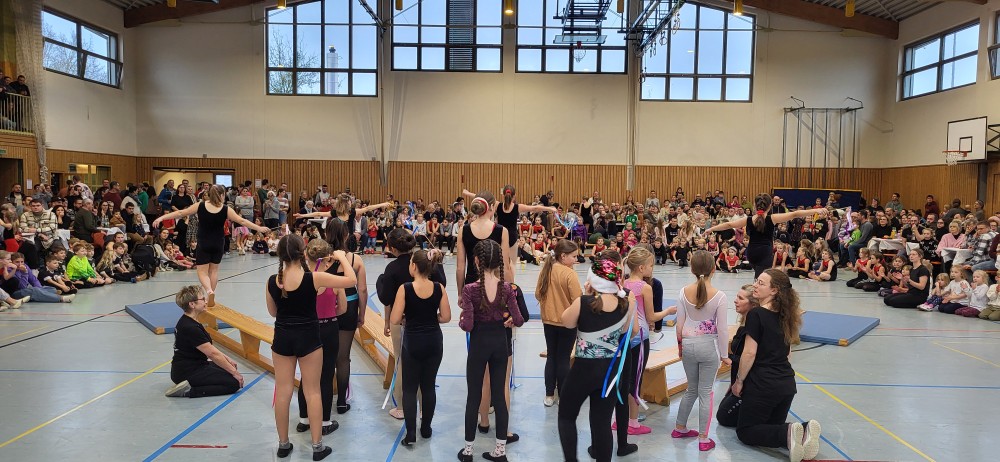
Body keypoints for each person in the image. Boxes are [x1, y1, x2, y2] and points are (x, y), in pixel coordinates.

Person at [266, 235, 356, 461]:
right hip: (308, 338)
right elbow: (351, 280)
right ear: (302, 253)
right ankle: (317, 446)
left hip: (283, 338)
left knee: (283, 391)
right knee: (313, 390)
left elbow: (273, 312)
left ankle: (283, 444)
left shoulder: (272, 281)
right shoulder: (314, 278)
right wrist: (342, 258)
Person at [557, 250, 639, 462]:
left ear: (593, 279)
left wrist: (584, 295)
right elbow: (626, 332)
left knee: (566, 416)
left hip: (583, 370)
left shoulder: (584, 302)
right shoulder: (626, 304)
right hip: (609, 372)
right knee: (601, 423)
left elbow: (566, 322)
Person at [732, 270, 821, 462]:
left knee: (746, 431)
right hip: (786, 386)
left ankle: (787, 432)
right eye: (756, 281)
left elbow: (749, 353)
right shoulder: (786, 315)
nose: (755, 285)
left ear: (774, 291)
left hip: (763, 385)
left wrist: (739, 381)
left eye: (761, 283)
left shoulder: (756, 314)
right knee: (770, 427)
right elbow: (787, 353)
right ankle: (803, 429)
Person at [458, 239, 524, 462]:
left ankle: (468, 451)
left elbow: (468, 325)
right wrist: (508, 320)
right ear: (499, 262)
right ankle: (500, 451)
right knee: (499, 395)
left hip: (479, 344)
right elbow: (518, 319)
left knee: (473, 396)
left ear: (476, 261)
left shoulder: (470, 289)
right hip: (499, 343)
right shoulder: (506, 288)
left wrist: (462, 320)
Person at [153, 185, 268, 306]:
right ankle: (210, 296)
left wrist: (161, 218)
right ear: (222, 195)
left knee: (202, 272)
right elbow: (242, 221)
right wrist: (259, 228)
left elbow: (181, 213)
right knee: (214, 271)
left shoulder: (200, 205)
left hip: (204, 242)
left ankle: (209, 290)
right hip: (218, 243)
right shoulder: (226, 209)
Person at [376, 228, 447, 419]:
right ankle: (424, 408)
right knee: (426, 370)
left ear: (392, 248)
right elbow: (442, 285)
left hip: (403, 321)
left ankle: (401, 407)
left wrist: (381, 281)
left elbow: (386, 298)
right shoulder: (424, 262)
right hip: (429, 324)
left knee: (403, 364)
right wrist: (438, 264)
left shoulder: (393, 268)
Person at [389, 248, 451, 446]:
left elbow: (395, 319)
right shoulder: (439, 287)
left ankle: (410, 434)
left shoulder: (405, 288)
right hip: (434, 340)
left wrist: (409, 318)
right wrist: (431, 317)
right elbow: (446, 317)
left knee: (409, 388)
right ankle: (426, 428)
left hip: (413, 341)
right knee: (428, 386)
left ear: (414, 266)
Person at [673, 251, 729, 451]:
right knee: (705, 392)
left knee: (692, 389)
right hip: (709, 348)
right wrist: (725, 355)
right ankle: (703, 438)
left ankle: (679, 427)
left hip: (688, 345)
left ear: (692, 269)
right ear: (714, 269)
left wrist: (680, 348)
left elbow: (679, 326)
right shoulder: (720, 296)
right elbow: (722, 329)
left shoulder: (683, 292)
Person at [705, 194, 827, 278]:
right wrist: (816, 210)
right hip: (765, 254)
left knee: (763, 278)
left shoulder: (748, 219)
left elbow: (729, 224)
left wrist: (711, 229)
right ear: (769, 206)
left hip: (751, 254)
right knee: (761, 280)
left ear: (754, 205)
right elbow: (795, 214)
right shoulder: (772, 218)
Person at [294, 239, 344, 437]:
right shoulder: (332, 280)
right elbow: (343, 308)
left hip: (308, 328)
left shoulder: (303, 279)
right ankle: (324, 421)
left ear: (307, 255)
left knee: (307, 376)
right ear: (328, 258)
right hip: (329, 327)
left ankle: (304, 419)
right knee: (326, 375)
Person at [324, 219, 371, 415]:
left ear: (326, 234)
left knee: (325, 357)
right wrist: (362, 314)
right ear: (346, 235)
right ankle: (342, 401)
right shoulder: (354, 260)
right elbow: (363, 290)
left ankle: (323, 400)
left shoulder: (321, 258)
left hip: (326, 309)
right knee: (343, 358)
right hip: (349, 308)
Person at [165, 285, 243, 398]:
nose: (206, 301)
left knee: (228, 367)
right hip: (187, 371)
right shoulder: (190, 327)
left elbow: (210, 348)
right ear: (192, 304)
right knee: (233, 383)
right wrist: (235, 374)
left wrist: (227, 359)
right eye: (202, 299)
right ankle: (189, 391)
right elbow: (212, 354)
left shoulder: (190, 321)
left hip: (195, 365)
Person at [464, 186, 556, 271]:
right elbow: (535, 208)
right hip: (511, 238)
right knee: (511, 267)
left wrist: (467, 193)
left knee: (498, 266)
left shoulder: (498, 205)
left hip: (499, 237)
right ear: (514, 196)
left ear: (503, 195)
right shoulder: (517, 207)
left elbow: (483, 199)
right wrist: (550, 209)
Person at [536, 240, 582, 407]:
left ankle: (549, 395)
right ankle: (563, 395)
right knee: (563, 359)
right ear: (563, 256)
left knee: (552, 357)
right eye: (574, 256)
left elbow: (537, 294)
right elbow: (577, 299)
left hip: (548, 321)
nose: (576, 259)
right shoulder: (569, 274)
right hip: (567, 323)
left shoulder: (546, 270)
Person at [717, 284, 758, 428]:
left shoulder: (752, 330)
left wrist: (726, 357)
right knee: (723, 409)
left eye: (740, 298)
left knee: (724, 417)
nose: (735, 300)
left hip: (751, 383)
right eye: (736, 297)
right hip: (740, 380)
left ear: (752, 304)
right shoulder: (744, 325)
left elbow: (751, 358)